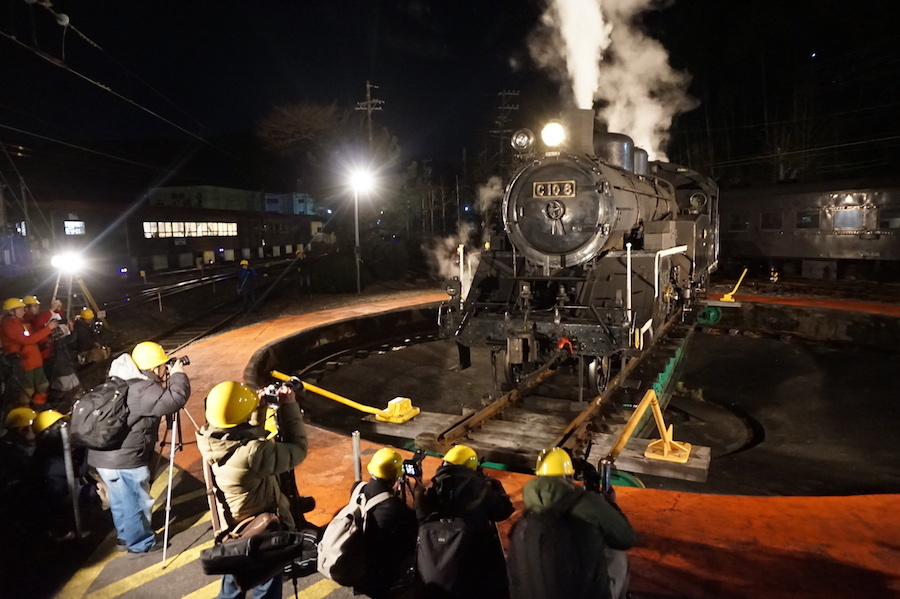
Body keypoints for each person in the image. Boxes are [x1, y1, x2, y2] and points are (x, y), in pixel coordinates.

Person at [196, 380, 309, 599]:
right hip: (261, 532)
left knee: (235, 573)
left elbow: (244, 439)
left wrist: (257, 409)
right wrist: (289, 407)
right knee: (265, 582)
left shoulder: (211, 437)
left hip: (237, 527)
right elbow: (298, 450)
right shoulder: (253, 454)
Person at [87, 341, 190, 557]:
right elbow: (175, 399)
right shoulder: (143, 389)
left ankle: (126, 537)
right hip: (124, 459)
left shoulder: (120, 380)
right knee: (136, 501)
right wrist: (178, 374)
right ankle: (140, 544)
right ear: (154, 368)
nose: (165, 369)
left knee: (120, 499)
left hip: (103, 457)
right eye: (163, 365)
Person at [509, 448, 639, 599]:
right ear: (569, 475)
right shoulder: (586, 501)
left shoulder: (527, 514)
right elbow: (626, 538)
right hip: (586, 593)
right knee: (617, 555)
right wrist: (611, 506)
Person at [416, 444, 513, 599]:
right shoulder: (481, 488)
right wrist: (497, 488)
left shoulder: (432, 489)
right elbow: (503, 511)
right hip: (475, 560)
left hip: (438, 563)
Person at [354, 447, 418, 599]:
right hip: (386, 579)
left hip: (361, 570)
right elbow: (414, 535)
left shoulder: (357, 488)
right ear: (395, 476)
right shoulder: (394, 507)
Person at [1, 297, 59, 408]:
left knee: (42, 385)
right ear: (12, 311)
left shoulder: (21, 322)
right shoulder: (8, 326)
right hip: (24, 362)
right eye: (21, 308)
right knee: (27, 389)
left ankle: (39, 406)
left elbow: (33, 336)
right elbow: (27, 340)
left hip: (34, 359)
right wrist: (48, 329)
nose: (24, 310)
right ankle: (25, 412)